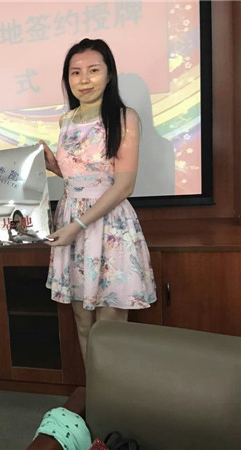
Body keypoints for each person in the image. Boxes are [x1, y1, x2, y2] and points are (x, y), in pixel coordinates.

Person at [40, 39, 157, 362]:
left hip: (108, 226)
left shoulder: (124, 117)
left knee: (110, 326)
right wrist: (54, 167)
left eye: (93, 70)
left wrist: (78, 225)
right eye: (75, 72)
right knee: (83, 321)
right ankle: (95, 388)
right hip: (71, 224)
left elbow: (123, 185)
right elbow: (79, 177)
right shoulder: (65, 121)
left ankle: (116, 391)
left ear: (109, 74)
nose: (84, 80)